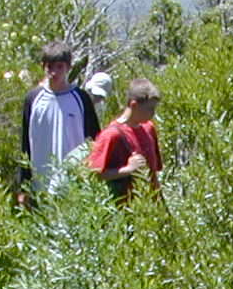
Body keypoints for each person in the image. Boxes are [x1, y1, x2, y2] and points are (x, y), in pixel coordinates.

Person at [18, 41, 102, 202]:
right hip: (41, 184)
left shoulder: (81, 98)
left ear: (68, 68)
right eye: (50, 67)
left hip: (74, 183)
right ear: (43, 66)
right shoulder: (33, 99)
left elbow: (95, 140)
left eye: (59, 67)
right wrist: (24, 186)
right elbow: (25, 144)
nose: (54, 72)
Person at [88, 78, 163, 201]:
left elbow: (154, 173)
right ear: (134, 105)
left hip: (151, 209)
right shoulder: (111, 135)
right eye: (149, 109)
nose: (153, 113)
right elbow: (94, 174)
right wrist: (127, 169)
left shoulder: (148, 128)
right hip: (126, 209)